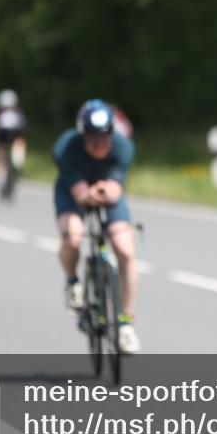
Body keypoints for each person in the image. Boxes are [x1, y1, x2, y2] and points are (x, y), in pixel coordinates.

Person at [52, 99, 140, 353]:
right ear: (82, 135)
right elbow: (80, 193)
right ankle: (72, 282)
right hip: (72, 192)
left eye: (105, 137)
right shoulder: (65, 147)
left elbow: (116, 189)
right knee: (73, 237)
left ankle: (126, 324)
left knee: (126, 250)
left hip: (107, 192)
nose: (100, 144)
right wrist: (86, 194)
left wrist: (108, 191)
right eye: (93, 139)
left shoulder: (123, 147)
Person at [0, 89, 28, 195]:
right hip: (3, 137)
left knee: (18, 145)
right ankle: (1, 176)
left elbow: (23, 129)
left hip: (15, 137)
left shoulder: (18, 114)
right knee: (1, 152)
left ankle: (17, 163)